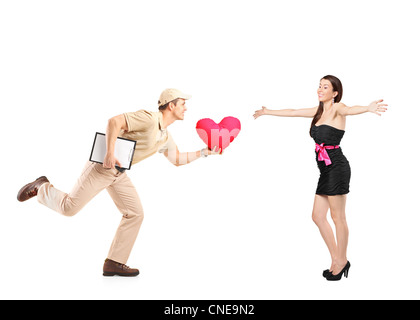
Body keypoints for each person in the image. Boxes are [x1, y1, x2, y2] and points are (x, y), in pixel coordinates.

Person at [17, 88, 220, 277]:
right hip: (103, 166)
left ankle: (114, 262)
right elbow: (114, 122)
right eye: (183, 103)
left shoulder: (164, 135)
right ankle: (41, 187)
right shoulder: (149, 119)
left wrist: (204, 152)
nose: (186, 107)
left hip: (118, 173)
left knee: (135, 213)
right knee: (69, 208)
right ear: (171, 105)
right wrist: (110, 153)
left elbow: (176, 160)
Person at [253, 75, 387, 281]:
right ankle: (337, 258)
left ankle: (341, 261)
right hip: (325, 170)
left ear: (334, 93)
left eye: (325, 87)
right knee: (317, 216)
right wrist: (267, 111)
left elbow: (351, 109)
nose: (320, 89)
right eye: (319, 85)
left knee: (338, 218)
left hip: (337, 168)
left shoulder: (338, 108)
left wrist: (367, 108)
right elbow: (293, 112)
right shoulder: (318, 112)